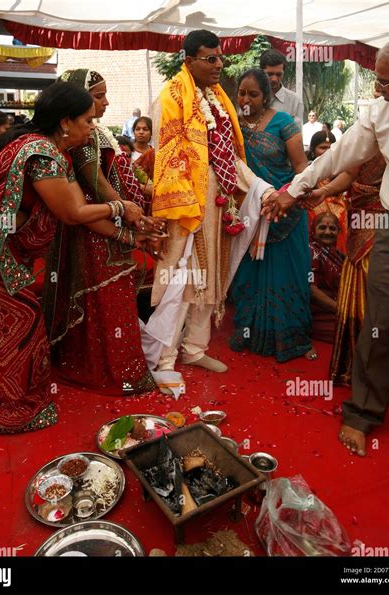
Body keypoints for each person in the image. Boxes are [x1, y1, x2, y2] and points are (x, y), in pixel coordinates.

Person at [262, 33, 389, 456]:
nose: (377, 89)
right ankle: (362, 413)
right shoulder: (380, 113)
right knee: (382, 323)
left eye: (385, 82)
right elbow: (337, 158)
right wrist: (293, 191)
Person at [0, 82, 134, 433]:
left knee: (18, 325)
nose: (93, 127)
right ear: (66, 122)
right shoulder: (41, 154)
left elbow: (79, 206)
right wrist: (122, 207)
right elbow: (72, 214)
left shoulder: (50, 152)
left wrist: (127, 232)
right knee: (20, 326)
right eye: (88, 120)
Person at [150, 30, 276, 381]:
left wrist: (260, 189)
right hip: (187, 206)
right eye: (211, 58)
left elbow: (232, 158)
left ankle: (195, 349)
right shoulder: (171, 98)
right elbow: (168, 159)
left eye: (221, 57)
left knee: (212, 278)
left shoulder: (217, 99)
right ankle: (165, 359)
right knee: (184, 280)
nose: (219, 64)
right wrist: (186, 207)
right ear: (188, 61)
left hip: (219, 199)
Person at [46, 68, 162, 395]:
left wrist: (135, 207)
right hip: (92, 230)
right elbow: (96, 184)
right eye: (98, 96)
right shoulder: (82, 137)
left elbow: (121, 177)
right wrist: (128, 213)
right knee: (103, 299)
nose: (106, 103)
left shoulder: (94, 131)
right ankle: (107, 370)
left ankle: (108, 366)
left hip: (105, 221)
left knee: (111, 298)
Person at [310, 154, 389, 402]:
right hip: (362, 223)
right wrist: (322, 191)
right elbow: (349, 173)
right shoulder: (371, 129)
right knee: (366, 294)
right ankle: (365, 375)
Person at [231, 68, 316, 362]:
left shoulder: (283, 122)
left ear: (266, 97)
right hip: (250, 214)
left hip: (285, 212)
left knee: (287, 275)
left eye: (253, 94)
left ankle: (287, 336)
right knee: (249, 276)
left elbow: (301, 166)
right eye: (242, 93)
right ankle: (250, 333)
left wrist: (287, 196)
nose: (245, 99)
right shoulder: (232, 126)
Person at [306, 131, 347, 253]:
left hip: (339, 238)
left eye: (330, 148)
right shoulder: (306, 175)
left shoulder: (344, 176)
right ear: (313, 150)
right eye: (323, 148)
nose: (327, 152)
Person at [309, 212, 344, 343]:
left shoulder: (339, 255)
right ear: (314, 230)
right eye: (322, 228)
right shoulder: (311, 251)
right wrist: (342, 309)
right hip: (321, 314)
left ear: (339, 231)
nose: (328, 232)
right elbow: (311, 291)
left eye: (332, 228)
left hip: (337, 311)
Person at [259, 49, 304, 127]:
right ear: (261, 72)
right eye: (269, 74)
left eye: (279, 75)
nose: (274, 79)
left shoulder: (295, 101)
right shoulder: (250, 97)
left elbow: (296, 134)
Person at [131, 116, 155, 198]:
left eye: (145, 129)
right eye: (137, 129)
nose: (141, 132)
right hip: (132, 194)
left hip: (152, 196)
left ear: (151, 132)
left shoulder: (154, 153)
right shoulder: (126, 151)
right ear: (133, 132)